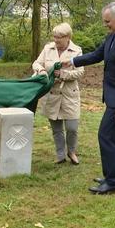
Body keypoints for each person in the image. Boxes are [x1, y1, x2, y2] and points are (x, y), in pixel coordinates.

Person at [62, 2, 115, 194]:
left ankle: (112, 182)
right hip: (114, 96)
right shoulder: (113, 36)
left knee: (106, 135)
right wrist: (72, 61)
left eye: (107, 21)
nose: (105, 24)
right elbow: (97, 55)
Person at [32, 23, 84, 165]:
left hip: (69, 94)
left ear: (68, 37)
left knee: (72, 128)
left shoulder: (77, 51)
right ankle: (60, 154)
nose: (56, 40)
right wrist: (41, 70)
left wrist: (63, 74)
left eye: (59, 37)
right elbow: (36, 63)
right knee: (56, 128)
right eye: (54, 37)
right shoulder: (48, 48)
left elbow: (80, 72)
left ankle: (71, 151)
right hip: (52, 95)